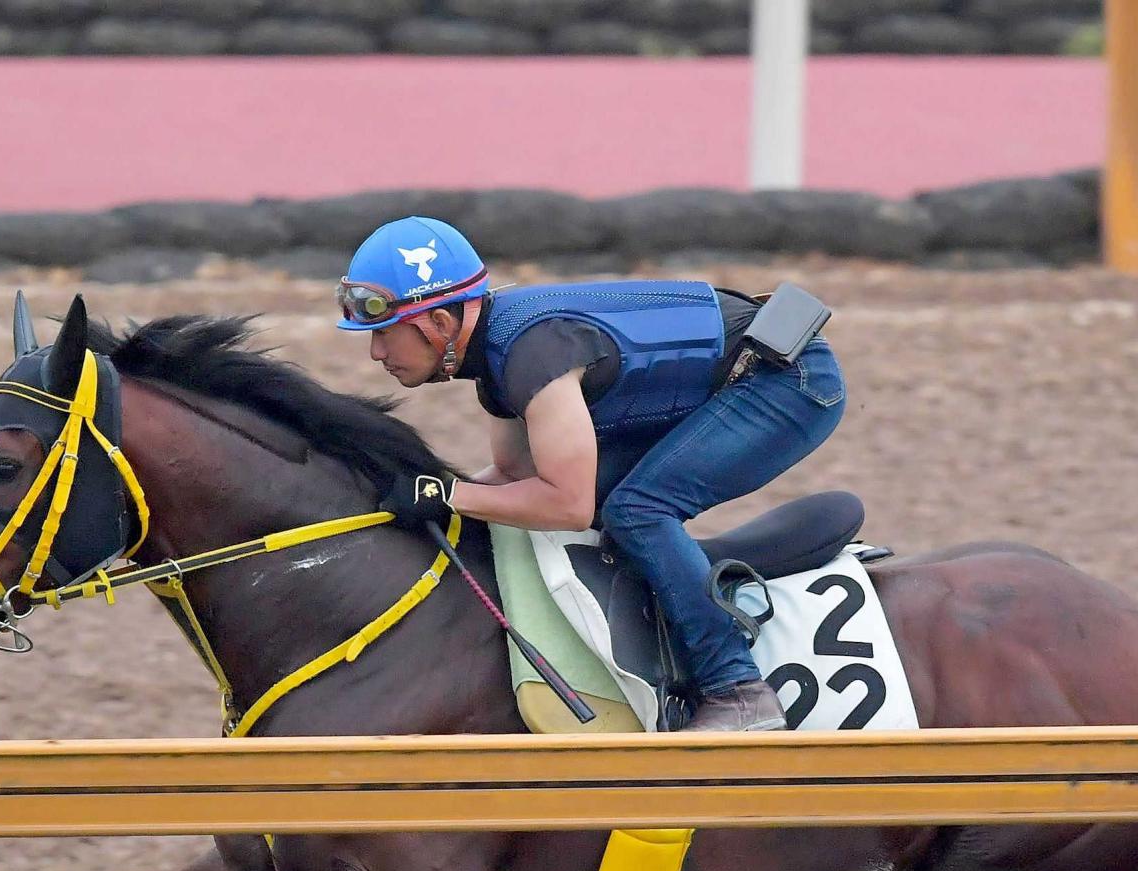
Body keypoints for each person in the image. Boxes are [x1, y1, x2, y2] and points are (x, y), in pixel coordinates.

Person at [336, 215, 846, 733]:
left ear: (439, 324)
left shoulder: (531, 355)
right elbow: (516, 478)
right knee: (611, 504)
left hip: (788, 382)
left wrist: (448, 494)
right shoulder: (495, 359)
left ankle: (737, 688)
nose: (376, 352)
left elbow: (565, 504)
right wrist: (420, 497)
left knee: (637, 510)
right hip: (731, 378)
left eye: (383, 332)